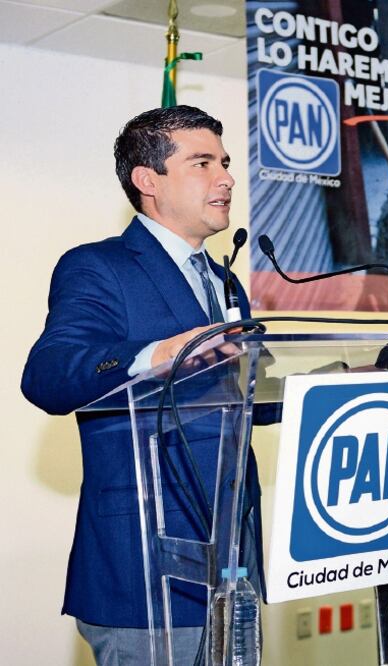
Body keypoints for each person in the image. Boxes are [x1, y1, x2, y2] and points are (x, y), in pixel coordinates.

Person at [21, 105, 256, 664]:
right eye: (203, 163)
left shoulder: (225, 283)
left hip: (232, 571)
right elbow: (49, 374)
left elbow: (245, 404)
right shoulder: (99, 267)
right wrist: (157, 355)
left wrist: (344, 381)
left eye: (224, 162)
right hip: (145, 572)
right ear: (148, 181)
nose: (226, 177)